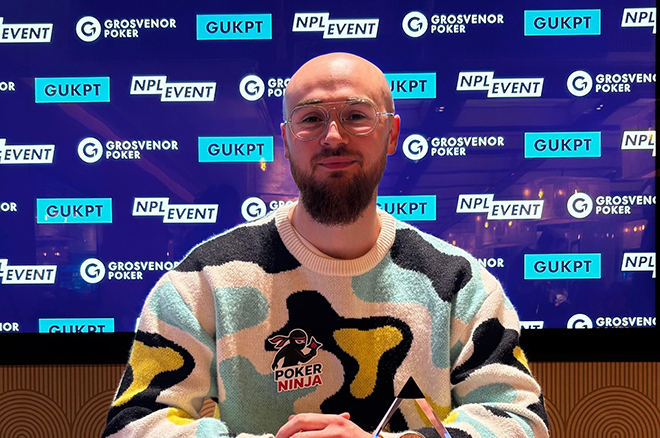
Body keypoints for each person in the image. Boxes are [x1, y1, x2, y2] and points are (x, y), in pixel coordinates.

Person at [104, 53, 549, 438]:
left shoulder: (459, 283)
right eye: (311, 119)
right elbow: (133, 423)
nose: (333, 136)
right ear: (286, 140)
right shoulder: (204, 279)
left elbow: (521, 420)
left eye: (356, 116)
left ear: (392, 133)